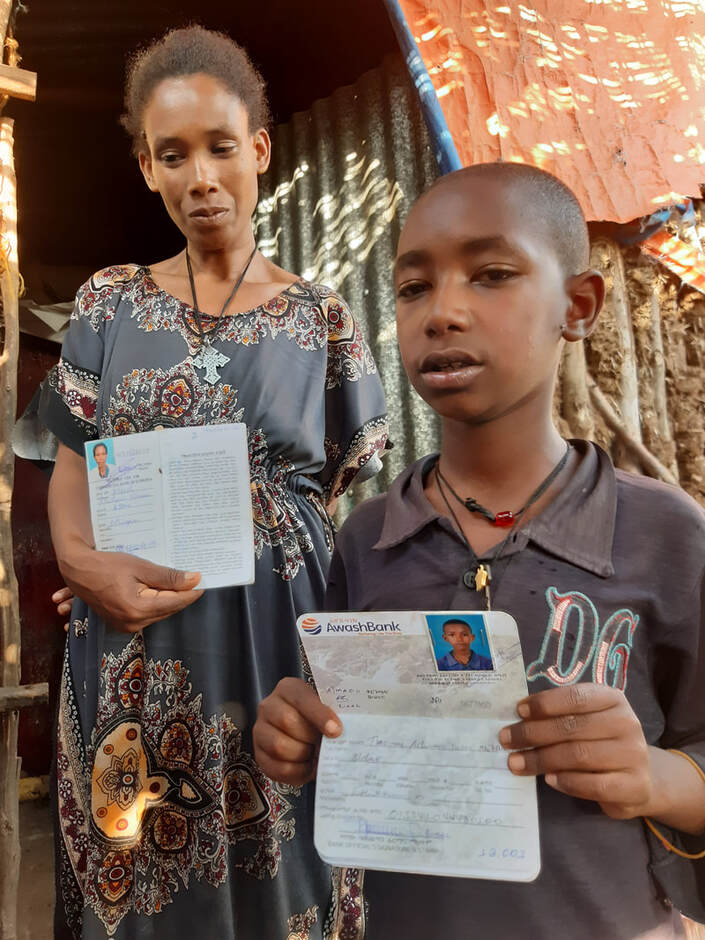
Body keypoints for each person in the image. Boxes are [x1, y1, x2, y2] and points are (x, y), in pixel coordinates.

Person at [253, 163, 705, 939]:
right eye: (413, 288)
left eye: (491, 274)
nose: (444, 312)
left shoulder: (664, 534)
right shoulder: (365, 540)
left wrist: (656, 776)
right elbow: (353, 743)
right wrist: (299, 738)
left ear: (578, 305)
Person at [41, 26, 387, 940]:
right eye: (172, 155)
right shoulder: (108, 304)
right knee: (141, 847)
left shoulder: (322, 319)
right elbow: (70, 455)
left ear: (259, 150)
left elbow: (338, 497)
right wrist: (81, 564)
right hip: (134, 634)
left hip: (280, 637)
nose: (200, 177)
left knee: (282, 846)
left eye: (221, 147)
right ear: (146, 167)